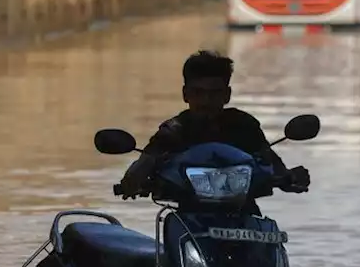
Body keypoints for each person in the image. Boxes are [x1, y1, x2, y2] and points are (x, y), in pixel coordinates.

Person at [117, 50, 310, 200]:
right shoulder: (174, 130)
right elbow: (147, 160)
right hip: (189, 216)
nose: (206, 101)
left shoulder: (244, 125)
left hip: (243, 213)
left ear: (227, 95)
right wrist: (134, 180)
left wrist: (289, 177)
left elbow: (269, 160)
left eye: (215, 93)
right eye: (198, 93)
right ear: (186, 94)